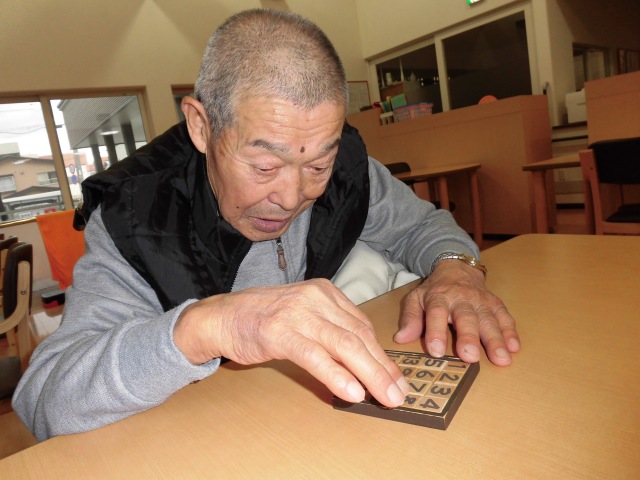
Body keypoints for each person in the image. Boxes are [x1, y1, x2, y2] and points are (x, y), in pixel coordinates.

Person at [13, 9, 519, 441]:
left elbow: (422, 227)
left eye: (317, 165)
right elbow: (45, 404)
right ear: (202, 127)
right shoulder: (134, 216)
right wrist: (211, 326)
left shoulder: (348, 167)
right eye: (264, 166)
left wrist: (457, 270)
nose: (292, 197)